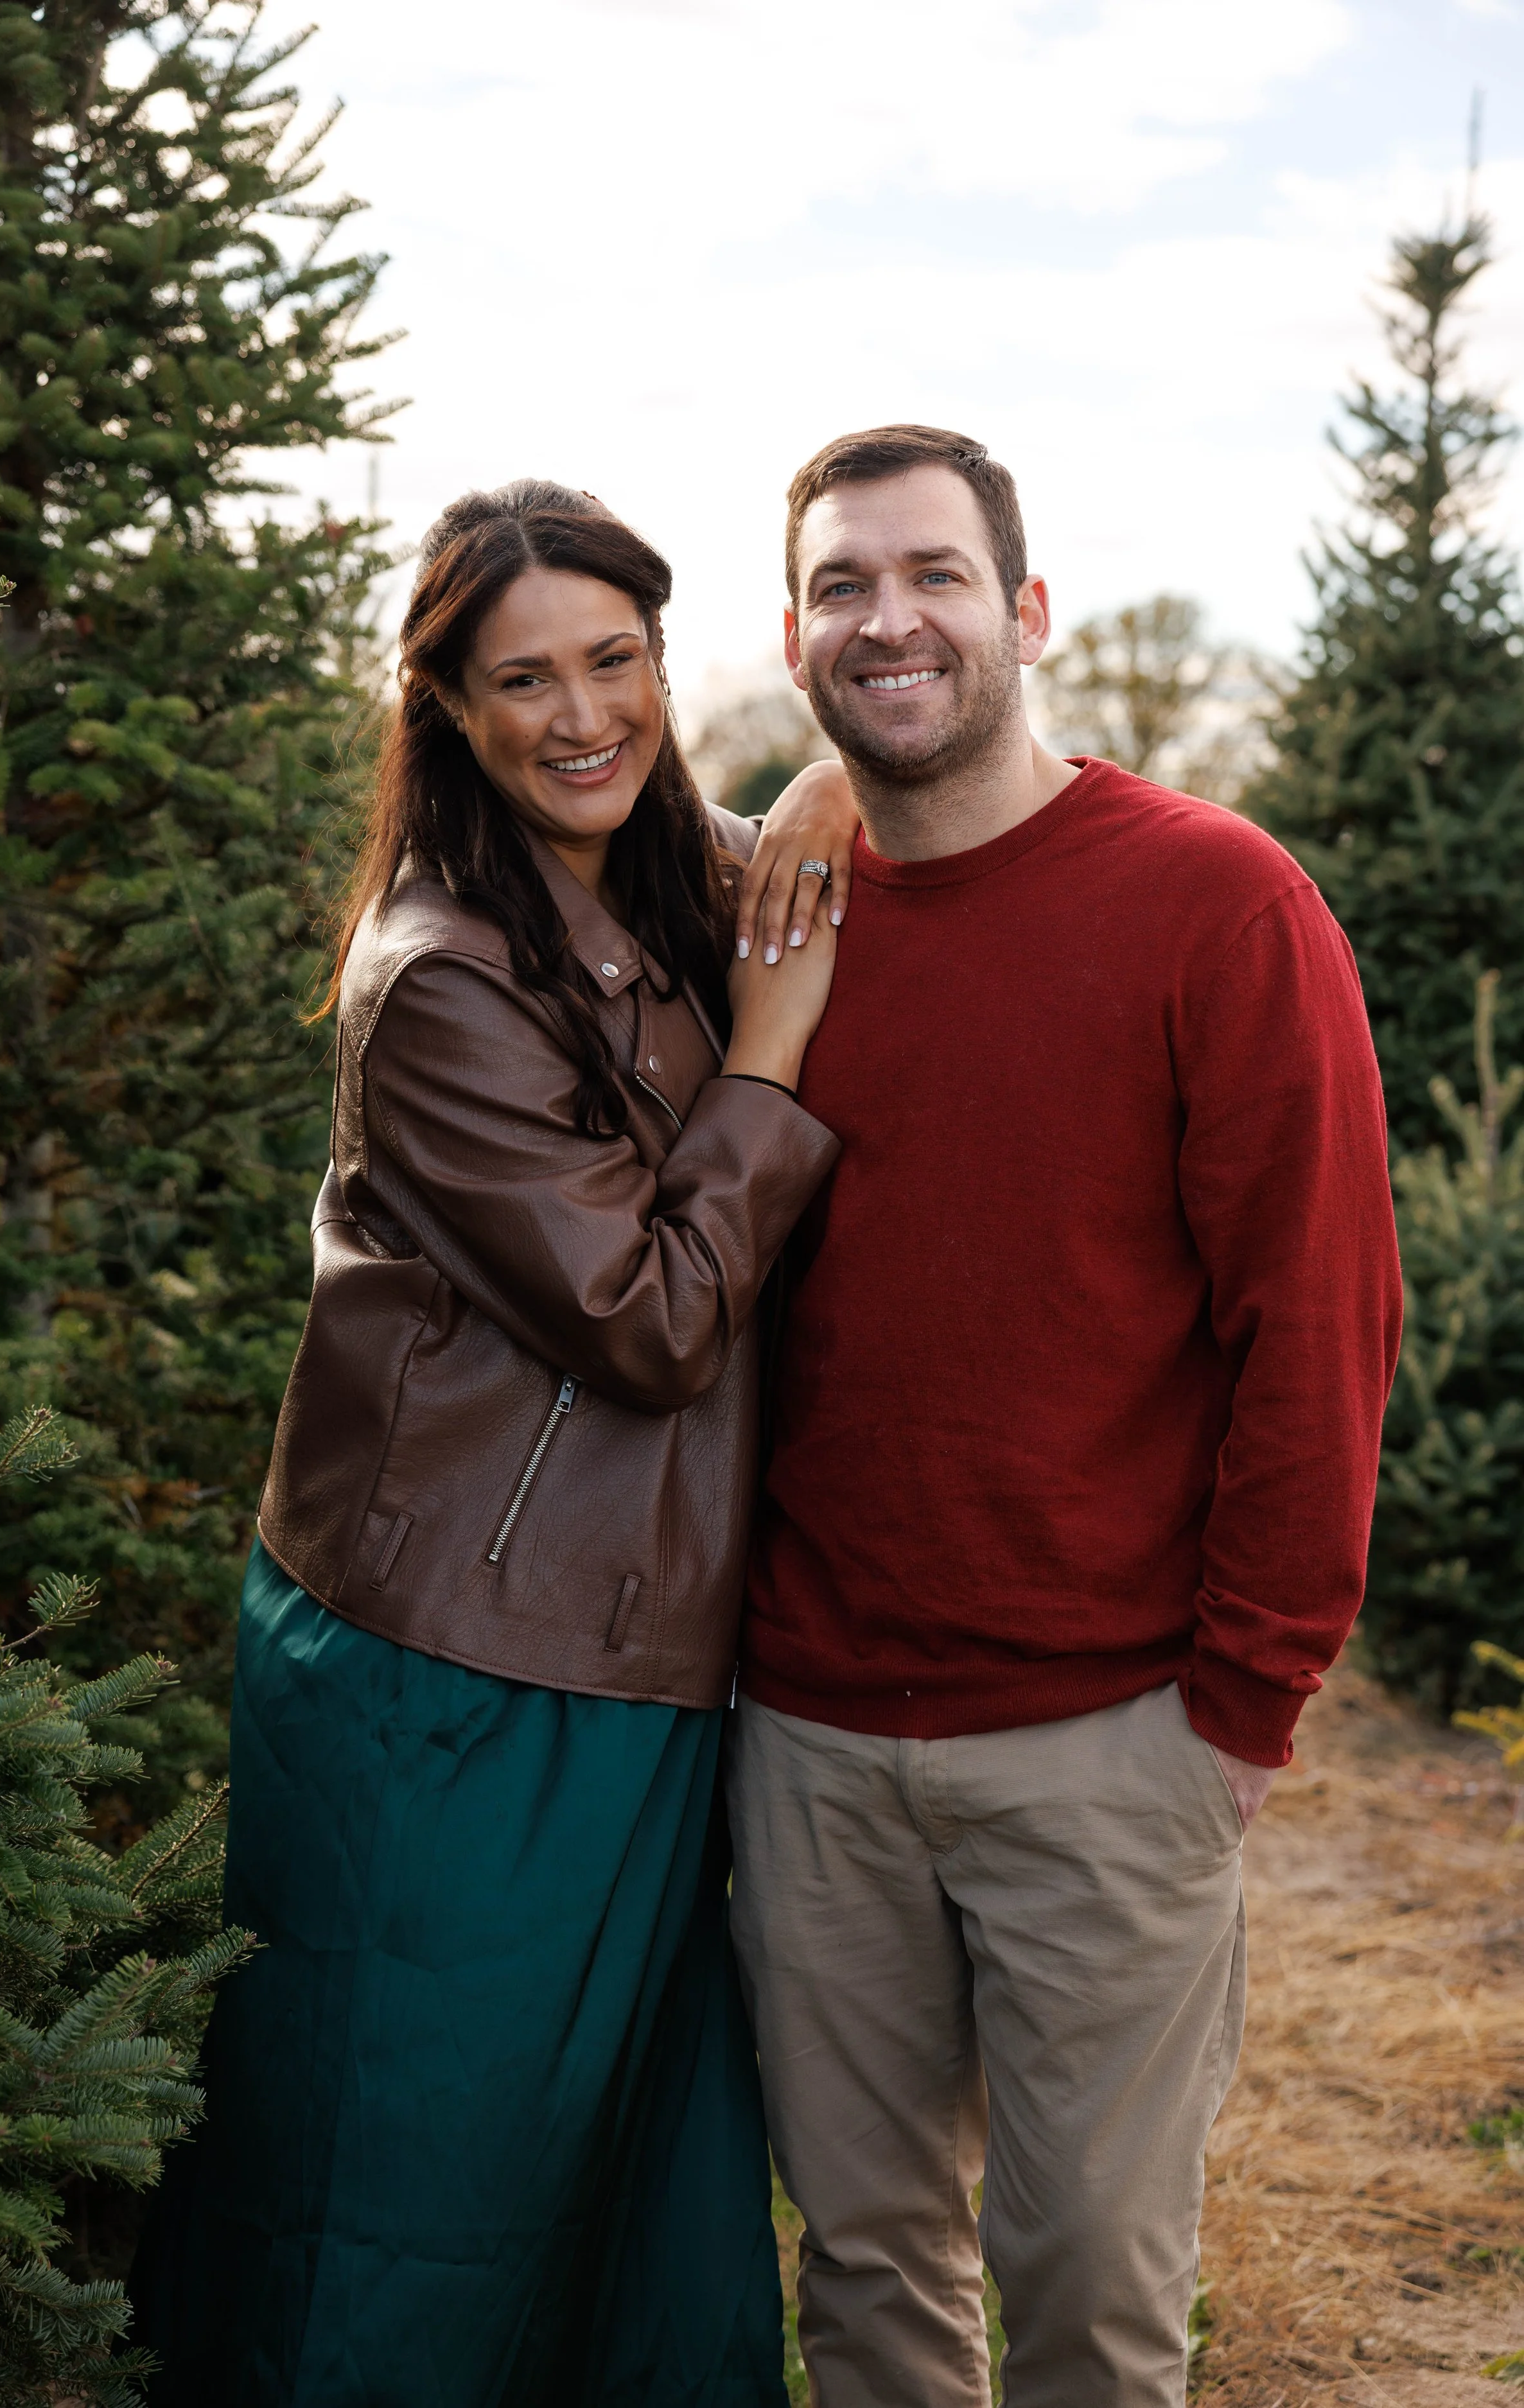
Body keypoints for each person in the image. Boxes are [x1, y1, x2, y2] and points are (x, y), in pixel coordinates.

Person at [130, 479, 858, 2407]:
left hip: (631, 1645)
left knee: (626, 2174)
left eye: (612, 657)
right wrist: (774, 1057)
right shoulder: (440, 974)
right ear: (445, 705)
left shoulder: (656, 867)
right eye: (519, 678)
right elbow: (651, 1317)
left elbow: (858, 810)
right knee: (401, 2174)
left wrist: (807, 799)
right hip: (452, 1660)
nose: (578, 713)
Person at [725, 424, 1403, 2408]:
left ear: (1024, 611)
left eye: (932, 574)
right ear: (794, 637)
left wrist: (1239, 1713)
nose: (889, 618)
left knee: (1097, 2293)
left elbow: (1319, 1330)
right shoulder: (777, 906)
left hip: (1110, 1744)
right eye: (844, 586)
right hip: (814, 1733)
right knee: (861, 2276)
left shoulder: (1214, 904)